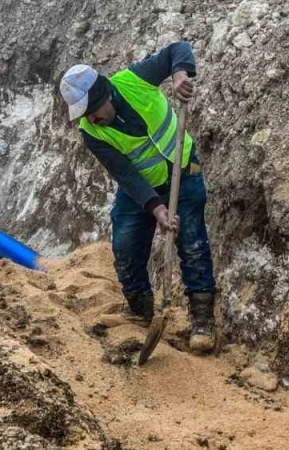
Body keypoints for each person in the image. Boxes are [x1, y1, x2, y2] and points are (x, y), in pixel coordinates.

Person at [59, 43, 217, 353]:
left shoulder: (135, 81)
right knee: (126, 244)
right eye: (84, 115)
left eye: (91, 111)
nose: (89, 119)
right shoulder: (91, 132)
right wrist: (156, 208)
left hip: (182, 172)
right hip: (140, 188)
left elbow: (177, 50)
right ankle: (141, 308)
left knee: (192, 242)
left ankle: (202, 321)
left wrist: (180, 74)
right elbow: (125, 173)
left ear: (104, 96)